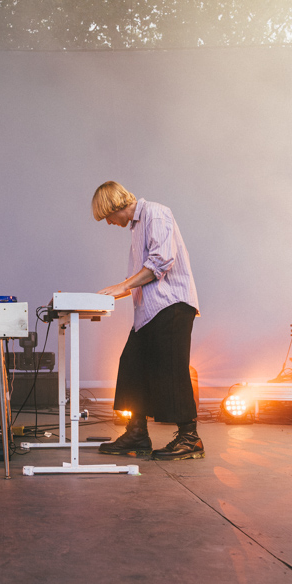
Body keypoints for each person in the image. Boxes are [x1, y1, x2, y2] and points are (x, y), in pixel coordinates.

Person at [92, 181, 203, 460]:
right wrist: (116, 292)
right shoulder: (136, 226)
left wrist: (121, 287)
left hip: (172, 306)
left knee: (173, 370)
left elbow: (161, 261)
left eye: (106, 216)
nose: (108, 222)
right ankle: (137, 433)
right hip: (150, 311)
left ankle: (190, 438)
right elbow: (144, 275)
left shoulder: (156, 213)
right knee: (131, 365)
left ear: (113, 205)